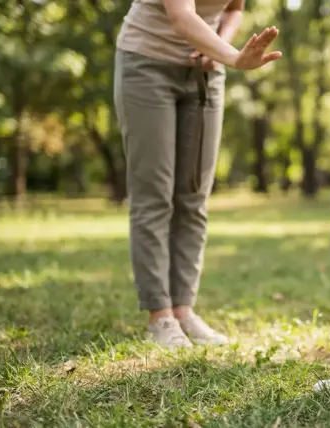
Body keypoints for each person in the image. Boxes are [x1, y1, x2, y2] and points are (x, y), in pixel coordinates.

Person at [113, 0, 281, 348]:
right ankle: (159, 317)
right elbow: (181, 16)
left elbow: (234, 8)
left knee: (193, 197)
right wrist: (232, 56)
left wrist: (219, 44)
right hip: (146, 64)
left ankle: (183, 309)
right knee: (154, 196)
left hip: (206, 72)